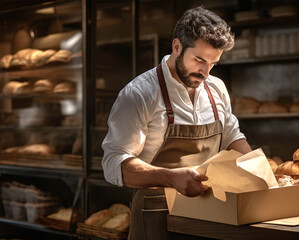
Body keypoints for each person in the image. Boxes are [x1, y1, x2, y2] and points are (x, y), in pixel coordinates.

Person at [102, 6, 252, 240]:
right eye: (199, 60)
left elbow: (233, 137)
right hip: (155, 216)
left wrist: (260, 173)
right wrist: (171, 177)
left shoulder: (216, 89)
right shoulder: (139, 94)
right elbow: (114, 163)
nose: (205, 72)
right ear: (176, 46)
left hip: (209, 216)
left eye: (213, 63)